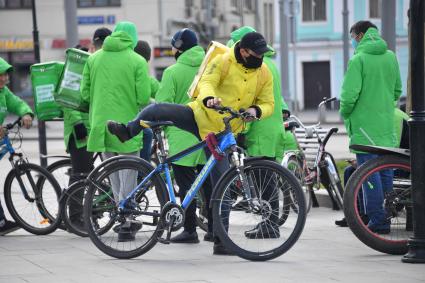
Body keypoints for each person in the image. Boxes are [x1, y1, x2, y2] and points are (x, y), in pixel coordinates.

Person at [107, 31, 274, 254]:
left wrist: (257, 110)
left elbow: (268, 102)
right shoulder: (223, 60)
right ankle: (128, 130)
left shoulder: (263, 71)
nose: (261, 58)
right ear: (244, 51)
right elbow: (207, 82)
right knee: (157, 109)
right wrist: (208, 98)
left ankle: (221, 241)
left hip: (224, 131)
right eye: (257, 53)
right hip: (200, 116)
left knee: (221, 185)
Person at [81, 21, 151, 242]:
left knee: (113, 175)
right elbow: (142, 98)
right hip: (126, 128)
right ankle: (126, 221)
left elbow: (84, 94)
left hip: (100, 126)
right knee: (128, 173)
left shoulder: (93, 59)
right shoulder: (137, 61)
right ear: (132, 37)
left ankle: (121, 217)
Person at [226, 26, 290, 238]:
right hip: (272, 127)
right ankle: (270, 223)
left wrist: (243, 129)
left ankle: (270, 225)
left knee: (265, 182)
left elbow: (251, 102)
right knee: (268, 177)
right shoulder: (270, 64)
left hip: (260, 128)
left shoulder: (256, 69)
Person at [339, 21, 402, 234]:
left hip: (364, 127)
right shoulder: (391, 56)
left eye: (353, 37)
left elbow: (348, 96)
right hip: (385, 125)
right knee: (385, 172)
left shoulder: (358, 60)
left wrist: (346, 113)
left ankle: (378, 220)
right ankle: (387, 215)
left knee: (368, 175)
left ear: (360, 35)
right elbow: (397, 90)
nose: (353, 41)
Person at [150, 29, 208, 244]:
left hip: (181, 135)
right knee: (209, 183)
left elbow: (162, 104)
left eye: (174, 45)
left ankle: (190, 230)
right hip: (206, 132)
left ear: (180, 47)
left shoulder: (172, 72)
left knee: (186, 186)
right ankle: (213, 229)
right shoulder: (208, 67)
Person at [335, 104, 409, 227]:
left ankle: (365, 216)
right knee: (350, 170)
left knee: (358, 172)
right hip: (394, 162)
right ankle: (357, 214)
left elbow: (389, 149)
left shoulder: (387, 117)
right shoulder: (391, 114)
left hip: (397, 167)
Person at [0, 57, 33, 236]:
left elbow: (17, 103)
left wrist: (26, 113)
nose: (5, 78)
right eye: (1, 75)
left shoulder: (3, 92)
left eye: (6, 75)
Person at [134, 40, 159, 162]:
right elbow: (145, 97)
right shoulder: (140, 71)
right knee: (147, 133)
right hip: (131, 119)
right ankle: (143, 170)